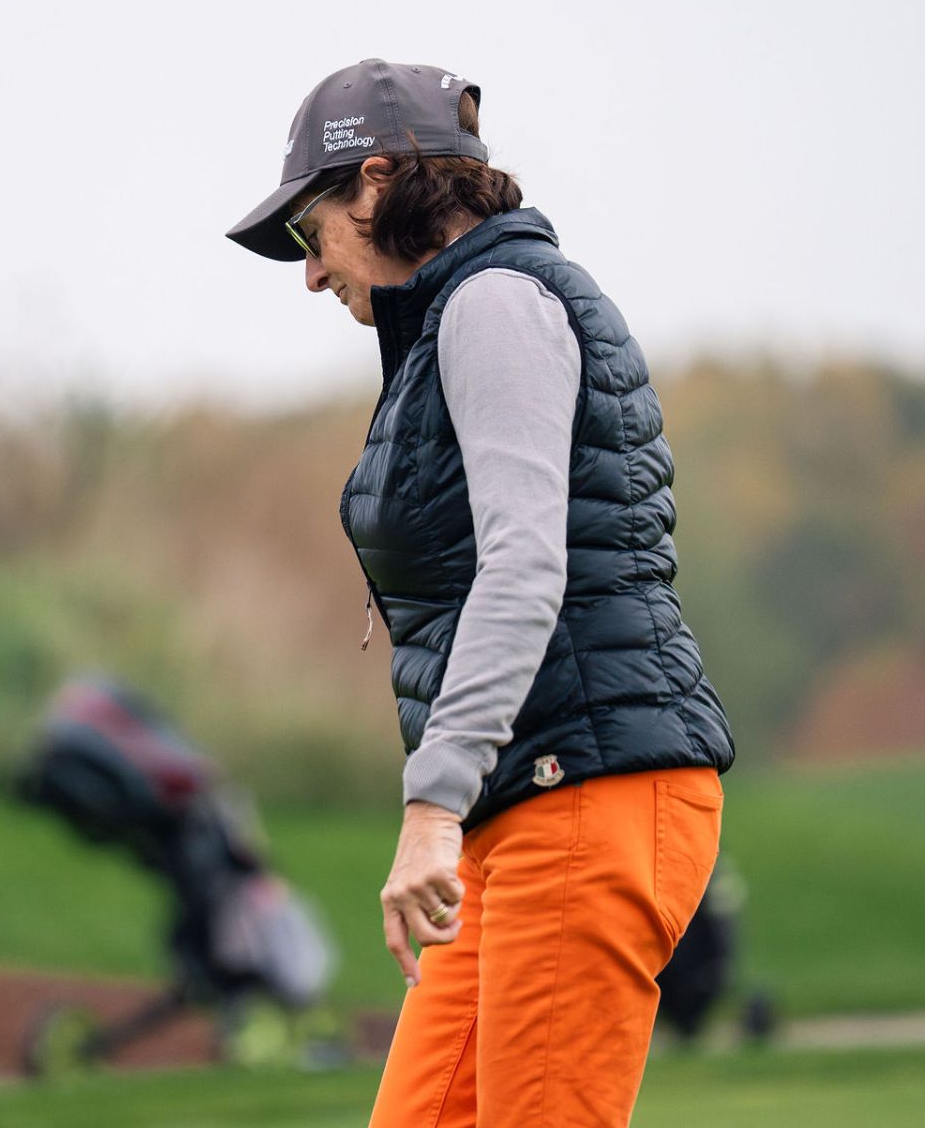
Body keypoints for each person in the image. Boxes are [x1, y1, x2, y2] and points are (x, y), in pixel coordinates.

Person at [226, 59, 736, 1127]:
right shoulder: (455, 316)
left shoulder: (496, 303)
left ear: (378, 183)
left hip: (585, 795)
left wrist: (431, 804)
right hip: (518, 807)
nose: (310, 273)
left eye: (312, 233)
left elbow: (524, 566)